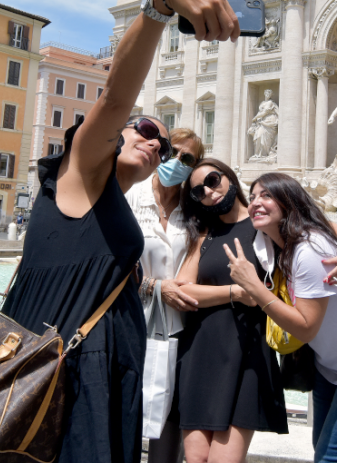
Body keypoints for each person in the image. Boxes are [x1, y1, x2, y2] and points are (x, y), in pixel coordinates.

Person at [0, 0, 240, 463]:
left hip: (96, 375)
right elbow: (114, 97)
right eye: (147, 130)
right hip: (63, 375)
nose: (157, 145)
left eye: (166, 147)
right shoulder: (81, 173)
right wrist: (160, 4)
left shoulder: (110, 196)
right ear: (115, 134)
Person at [172, 160, 337, 463]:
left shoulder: (265, 221)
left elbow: (336, 230)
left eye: (212, 179)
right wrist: (238, 293)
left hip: (247, 351)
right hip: (200, 349)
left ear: (229, 177)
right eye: (198, 191)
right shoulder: (205, 233)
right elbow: (183, 289)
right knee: (195, 458)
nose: (209, 191)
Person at [226, 173, 337, 463]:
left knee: (330, 456)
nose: (257, 202)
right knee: (321, 447)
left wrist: (255, 288)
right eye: (254, 195)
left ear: (289, 203)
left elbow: (307, 328)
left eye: (267, 195)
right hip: (329, 362)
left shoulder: (308, 249)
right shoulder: (274, 239)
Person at [125, 127, 205, 463]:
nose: (177, 162)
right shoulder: (130, 195)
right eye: (173, 153)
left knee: (169, 419)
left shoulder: (197, 210)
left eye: (187, 159)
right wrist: (155, 286)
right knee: (125, 410)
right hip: (129, 322)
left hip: (181, 330)